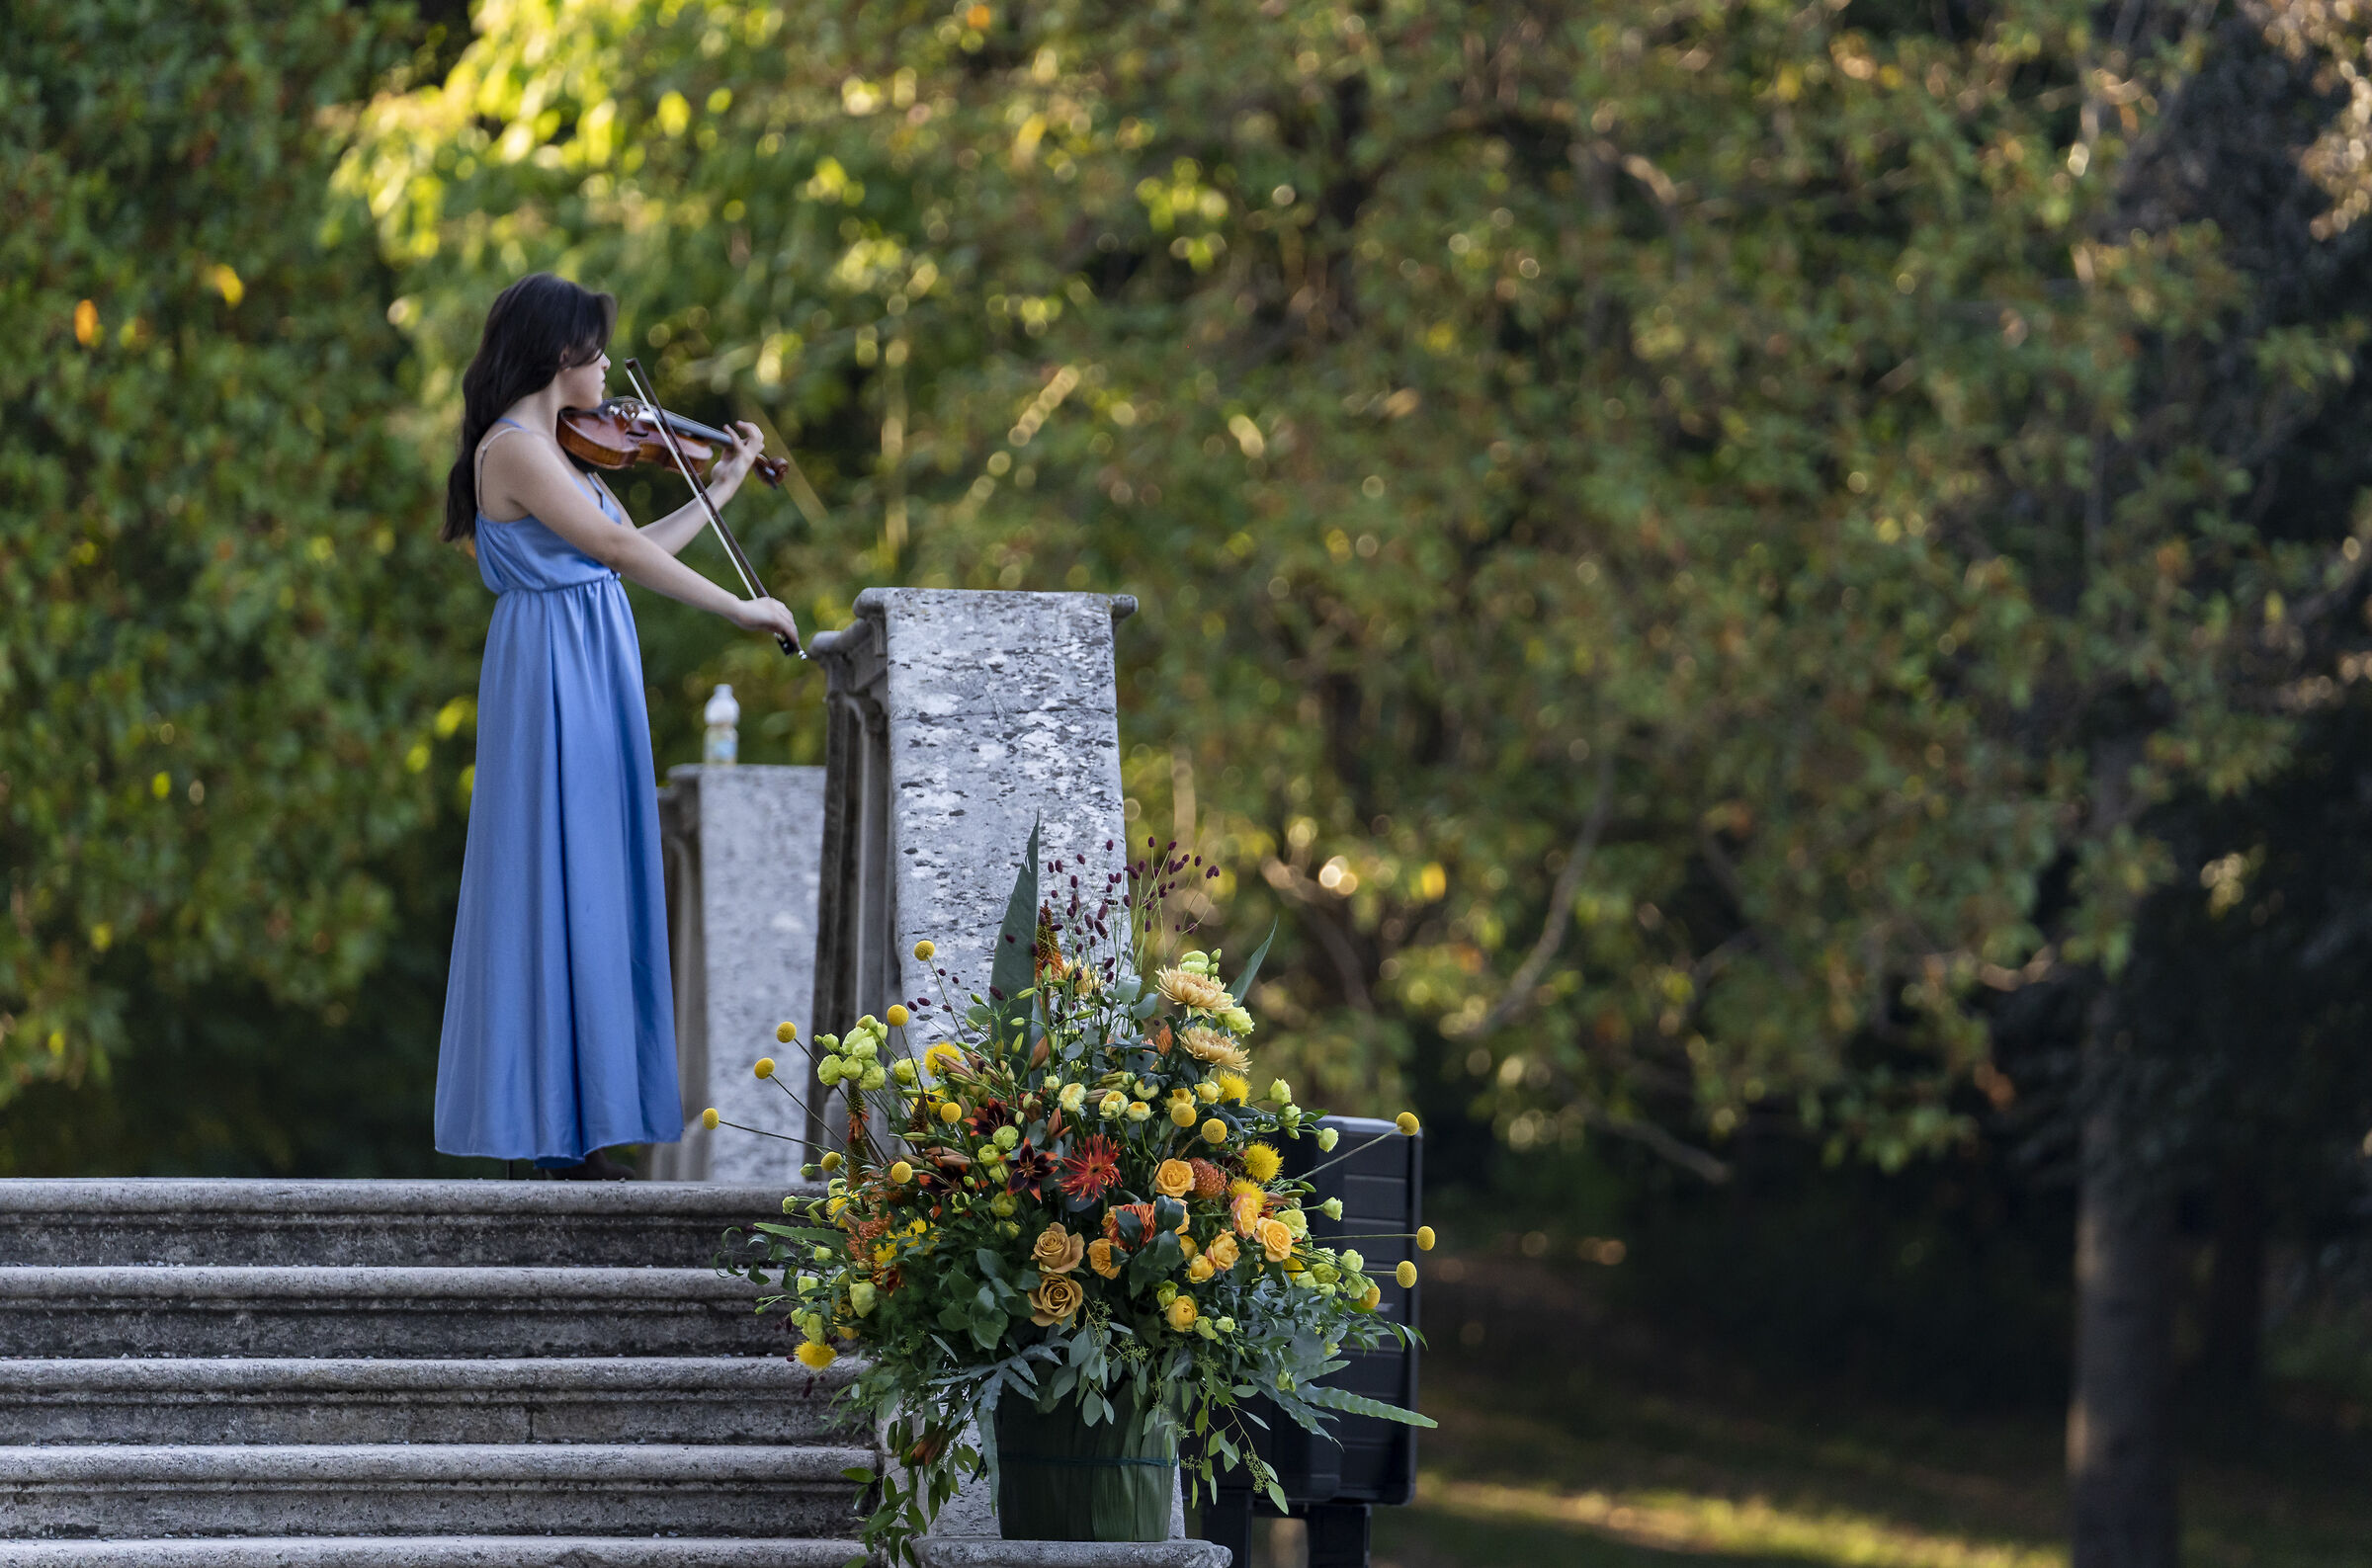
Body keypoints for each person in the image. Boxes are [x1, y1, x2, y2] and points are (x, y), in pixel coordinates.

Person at [433, 273, 801, 1179]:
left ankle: (587, 1126)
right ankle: (554, 1133)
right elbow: (615, 549)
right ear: (562, 355)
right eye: (597, 352)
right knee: (560, 882)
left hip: (591, 669)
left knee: (596, 878)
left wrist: (718, 488)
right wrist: (741, 610)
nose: (610, 375)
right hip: (553, 676)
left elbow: (634, 555)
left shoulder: (563, 456)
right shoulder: (514, 449)